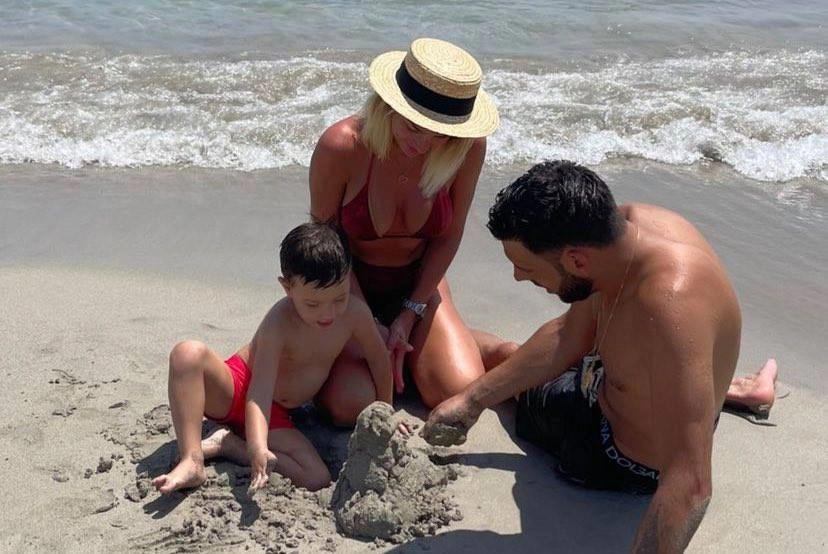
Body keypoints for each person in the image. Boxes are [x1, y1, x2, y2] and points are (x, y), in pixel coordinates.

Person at [421, 161, 778, 552]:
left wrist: (479, 393)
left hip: (618, 456)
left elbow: (690, 484)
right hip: (641, 384)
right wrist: (472, 400)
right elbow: (568, 334)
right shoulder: (627, 228)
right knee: (524, 362)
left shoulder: (669, 309)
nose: (519, 278)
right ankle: (734, 390)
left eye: (525, 268)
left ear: (576, 261)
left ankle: (417, 338)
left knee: (505, 357)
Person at [309, 37, 516, 425]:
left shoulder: (467, 147)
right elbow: (324, 245)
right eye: (414, 127)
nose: (424, 143)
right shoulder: (343, 146)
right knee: (351, 407)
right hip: (345, 287)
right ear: (388, 105)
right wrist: (363, 320)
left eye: (441, 134)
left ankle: (439, 341)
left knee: (454, 390)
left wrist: (409, 312)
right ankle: (450, 344)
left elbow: (449, 235)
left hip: (419, 287)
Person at [152, 222, 391, 494]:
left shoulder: (355, 315)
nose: (328, 313)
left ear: (350, 277)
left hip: (277, 414)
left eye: (339, 298)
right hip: (237, 390)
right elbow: (259, 393)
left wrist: (387, 410)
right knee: (187, 353)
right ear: (287, 287)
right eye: (313, 304)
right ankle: (192, 459)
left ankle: (229, 446)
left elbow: (378, 359)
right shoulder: (279, 321)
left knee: (316, 477)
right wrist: (258, 446)